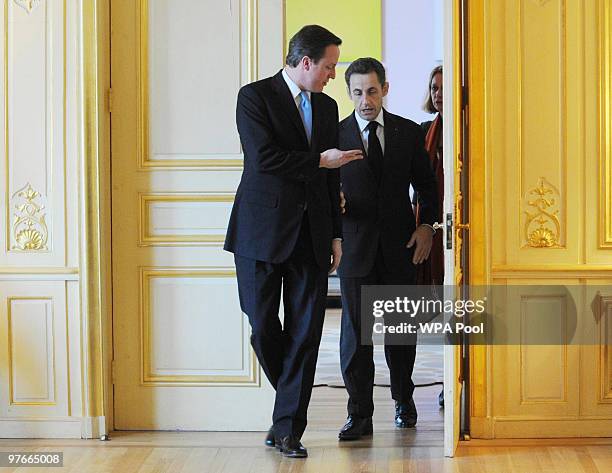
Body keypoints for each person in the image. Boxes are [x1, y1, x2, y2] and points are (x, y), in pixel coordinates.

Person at [224, 25, 362, 458]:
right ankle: (289, 403)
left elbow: (331, 176)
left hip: (313, 235)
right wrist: (319, 161)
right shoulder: (254, 97)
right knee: (262, 325)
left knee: (306, 333)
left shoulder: (326, 107)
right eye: (328, 66)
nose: (332, 76)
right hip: (259, 234)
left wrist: (336, 235)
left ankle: (287, 428)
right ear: (305, 63)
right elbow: (263, 159)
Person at [336, 57, 439, 441]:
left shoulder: (408, 133)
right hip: (354, 249)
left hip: (401, 247)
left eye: (372, 91)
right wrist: (335, 207)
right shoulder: (334, 133)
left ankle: (403, 401)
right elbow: (321, 189)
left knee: (400, 333)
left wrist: (427, 227)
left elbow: (427, 189)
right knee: (355, 337)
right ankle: (359, 414)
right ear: (349, 93)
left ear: (385, 89)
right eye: (358, 92)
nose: (366, 100)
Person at [416, 65, 445, 407]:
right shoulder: (424, 130)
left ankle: (451, 381)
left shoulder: (465, 130)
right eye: (433, 86)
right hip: (427, 221)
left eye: (444, 86)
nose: (438, 93)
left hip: (455, 224)